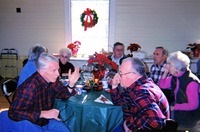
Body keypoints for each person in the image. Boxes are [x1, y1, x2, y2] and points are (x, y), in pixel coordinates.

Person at [6, 52, 80, 132]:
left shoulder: (52, 80)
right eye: (54, 70)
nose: (58, 74)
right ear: (42, 71)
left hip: (45, 121)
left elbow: (63, 94)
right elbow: (13, 113)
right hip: (32, 123)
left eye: (58, 69)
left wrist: (71, 83)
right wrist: (43, 113)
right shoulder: (30, 87)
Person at [110, 57, 170, 131]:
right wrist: (114, 85)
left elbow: (155, 121)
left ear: (132, 75)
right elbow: (119, 103)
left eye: (121, 73)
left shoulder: (142, 92)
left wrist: (128, 124)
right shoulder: (134, 87)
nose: (118, 76)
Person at [158, 51, 200, 129]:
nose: (167, 66)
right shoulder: (176, 77)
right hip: (180, 115)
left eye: (170, 65)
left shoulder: (191, 82)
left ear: (177, 67)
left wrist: (174, 107)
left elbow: (193, 105)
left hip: (191, 119)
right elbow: (162, 85)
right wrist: (165, 72)